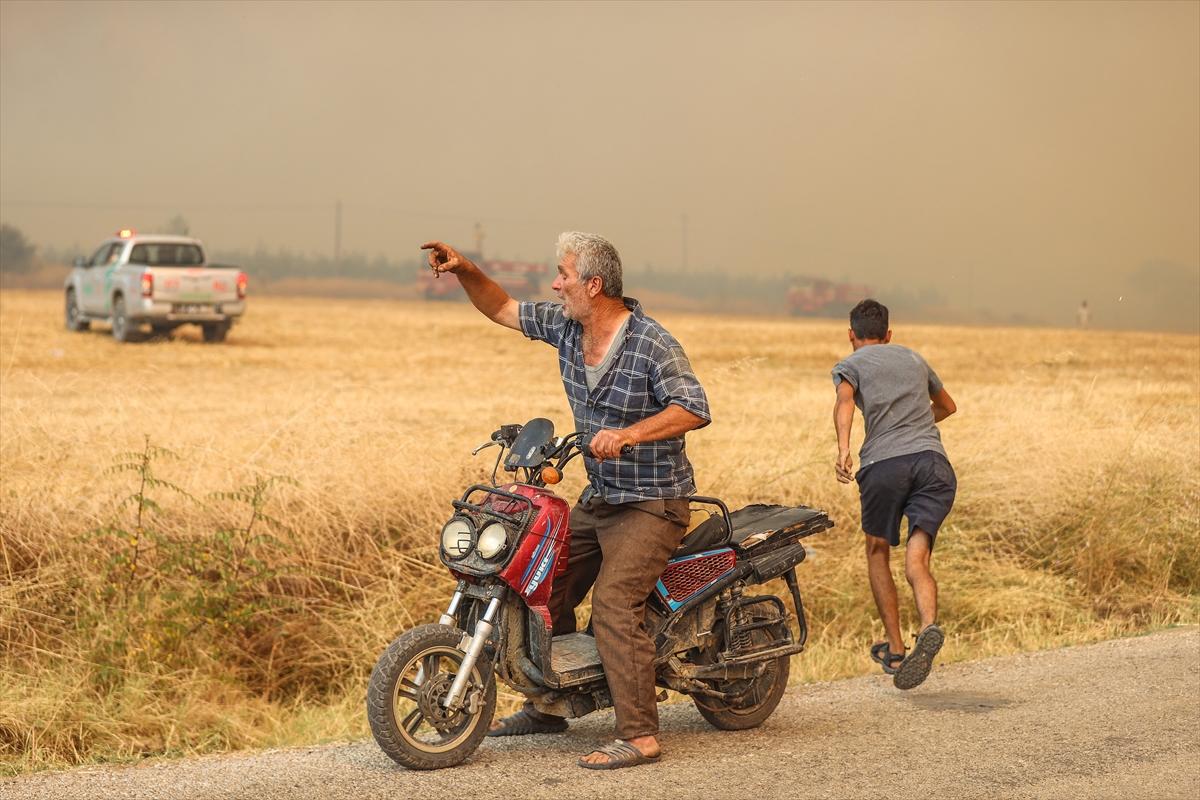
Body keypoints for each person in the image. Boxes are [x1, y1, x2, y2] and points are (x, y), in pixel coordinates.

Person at [421, 232, 710, 769]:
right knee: (541, 587)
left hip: (652, 502)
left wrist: (631, 434)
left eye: (564, 275)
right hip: (601, 497)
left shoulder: (652, 343)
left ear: (594, 285)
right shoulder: (566, 326)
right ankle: (549, 704)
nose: (555, 284)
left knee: (615, 605)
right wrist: (464, 269)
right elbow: (503, 308)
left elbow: (693, 407)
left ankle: (640, 734)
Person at [831, 299, 957, 690]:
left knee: (878, 550)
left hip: (884, 467)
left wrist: (843, 449)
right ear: (889, 335)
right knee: (917, 559)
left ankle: (898, 648)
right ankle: (929, 627)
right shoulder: (914, 359)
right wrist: (916, 423)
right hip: (934, 465)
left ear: (851, 334)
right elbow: (948, 407)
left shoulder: (849, 366)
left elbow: (845, 402)